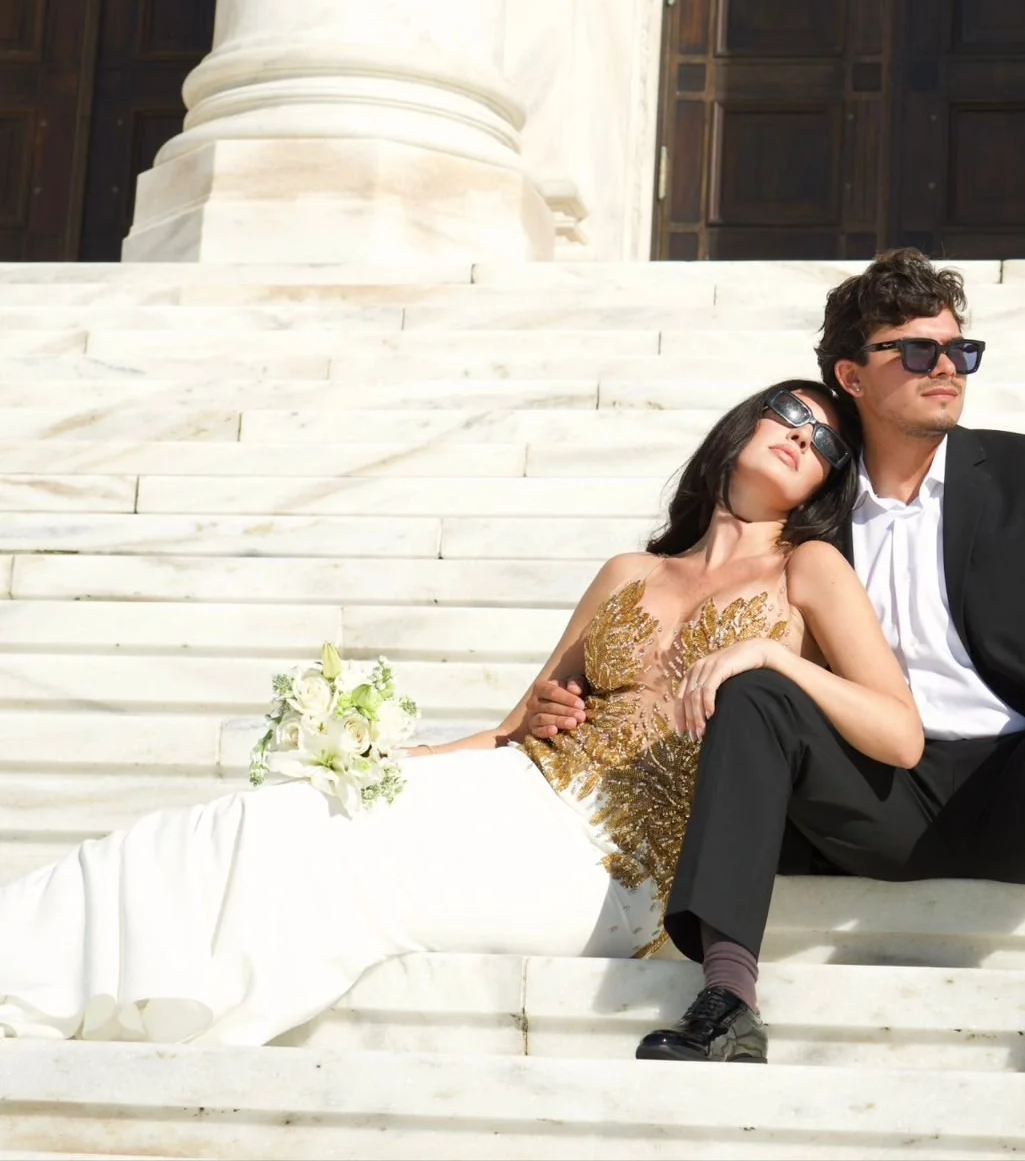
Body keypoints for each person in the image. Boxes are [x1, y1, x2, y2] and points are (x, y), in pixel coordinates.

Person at [0, 379, 922, 1053]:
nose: (805, 438)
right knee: (268, 816)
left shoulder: (810, 573)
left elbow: (900, 732)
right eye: (790, 416)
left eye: (830, 446)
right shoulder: (627, 575)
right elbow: (518, 722)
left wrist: (767, 655)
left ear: (825, 487)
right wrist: (387, 756)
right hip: (520, 791)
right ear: (742, 427)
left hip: (619, 863)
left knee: (334, 857)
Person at [532, 252, 1025, 1077]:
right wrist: (574, 697)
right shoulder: (813, 513)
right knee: (760, 689)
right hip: (869, 794)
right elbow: (685, 605)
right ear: (853, 375)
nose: (945, 367)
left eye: (958, 351)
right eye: (915, 351)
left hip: (1023, 784)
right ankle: (726, 996)